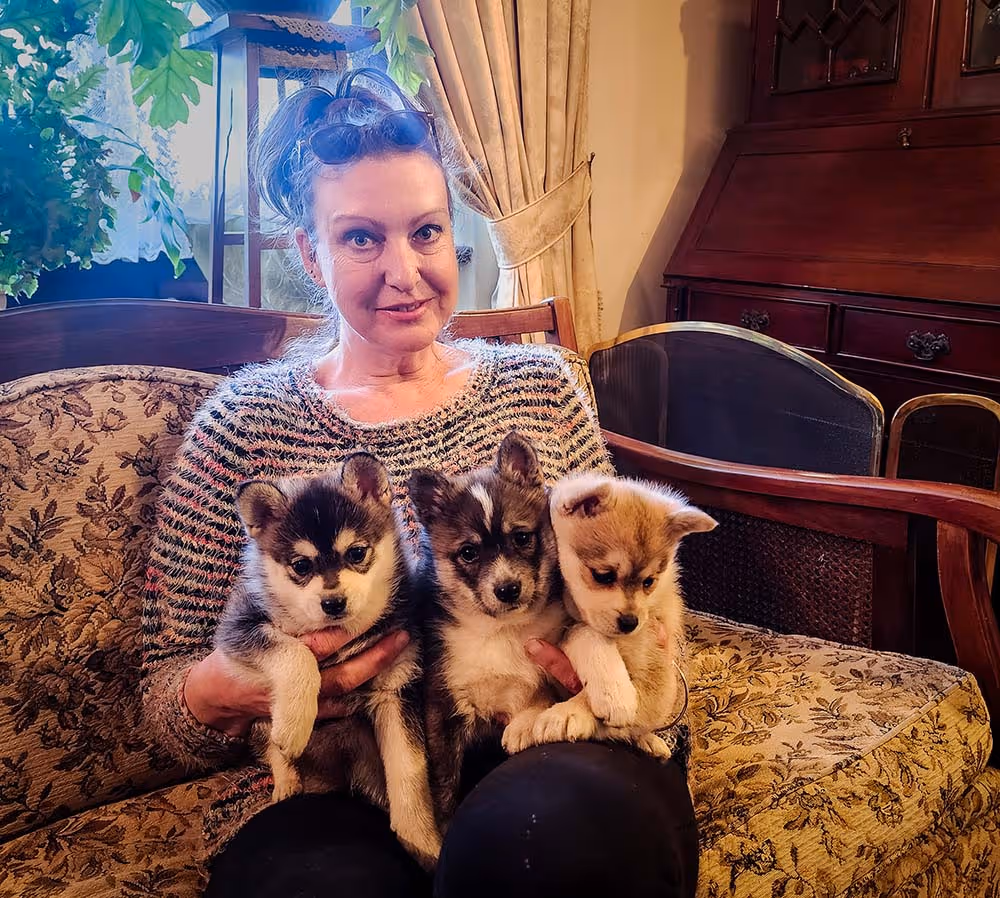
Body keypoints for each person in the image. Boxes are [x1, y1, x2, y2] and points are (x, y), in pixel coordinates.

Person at [141, 68, 698, 898]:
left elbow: (636, 585)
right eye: (362, 237)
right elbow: (163, 701)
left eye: (427, 232)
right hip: (346, 779)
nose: (403, 270)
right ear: (310, 253)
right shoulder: (242, 424)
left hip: (560, 743)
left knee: (552, 853)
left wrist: (639, 673)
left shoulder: (540, 386)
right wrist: (246, 687)